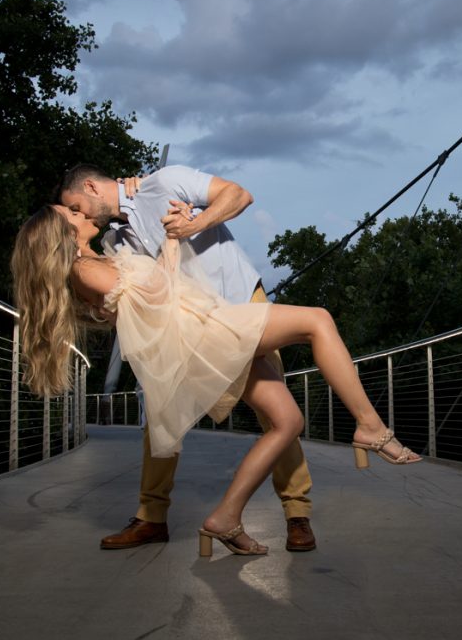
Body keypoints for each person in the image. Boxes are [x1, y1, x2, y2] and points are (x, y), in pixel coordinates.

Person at [11, 205, 421, 557]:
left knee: (287, 422)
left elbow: (158, 288)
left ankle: (225, 517)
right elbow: (157, 296)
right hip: (205, 330)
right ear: (61, 232)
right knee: (318, 320)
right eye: (72, 214)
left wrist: (173, 237)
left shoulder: (96, 261)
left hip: (202, 326)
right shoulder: (84, 271)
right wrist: (171, 242)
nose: (81, 214)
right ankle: (371, 428)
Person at [55, 164, 317, 552]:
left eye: (77, 206)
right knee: (159, 415)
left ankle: (297, 514)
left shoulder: (165, 181)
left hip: (241, 302)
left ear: (91, 187)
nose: (80, 217)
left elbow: (239, 195)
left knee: (275, 412)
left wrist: (191, 227)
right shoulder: (114, 241)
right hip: (191, 327)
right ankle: (150, 518)